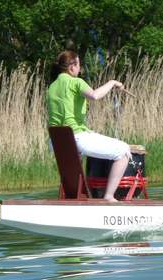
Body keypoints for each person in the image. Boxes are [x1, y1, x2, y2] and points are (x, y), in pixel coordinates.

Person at [47, 50, 130, 202]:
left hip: (56, 142)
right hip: (76, 138)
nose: (80, 69)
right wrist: (112, 82)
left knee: (87, 143)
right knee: (124, 151)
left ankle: (72, 197)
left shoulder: (51, 87)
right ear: (72, 67)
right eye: (78, 65)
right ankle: (109, 196)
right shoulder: (76, 82)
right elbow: (95, 96)